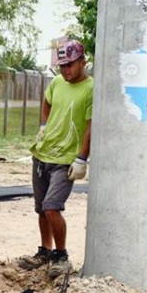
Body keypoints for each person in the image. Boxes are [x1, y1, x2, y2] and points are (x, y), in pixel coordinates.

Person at [18, 40, 93, 278]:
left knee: (52, 207)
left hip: (66, 160)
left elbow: (91, 126)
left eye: (70, 65)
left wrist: (82, 158)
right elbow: (47, 101)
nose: (66, 71)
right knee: (41, 209)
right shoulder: (57, 82)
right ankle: (45, 251)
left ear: (83, 62)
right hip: (43, 154)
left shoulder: (91, 89)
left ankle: (61, 256)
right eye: (62, 66)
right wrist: (43, 124)